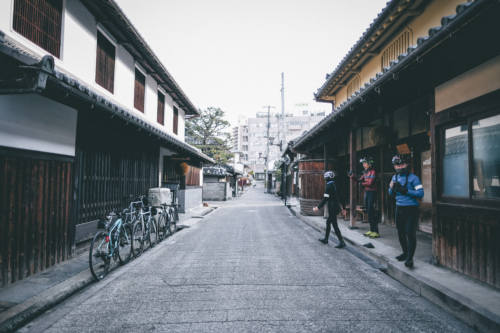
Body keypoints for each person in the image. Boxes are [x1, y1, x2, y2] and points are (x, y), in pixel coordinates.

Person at [389, 154, 424, 268]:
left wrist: (406, 190)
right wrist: (391, 188)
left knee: (410, 233)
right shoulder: (394, 178)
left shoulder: (414, 178)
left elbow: (420, 193)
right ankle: (405, 253)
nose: (400, 167)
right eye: (397, 165)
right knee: (401, 232)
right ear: (394, 166)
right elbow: (390, 193)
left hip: (411, 209)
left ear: (406, 164)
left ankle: (410, 259)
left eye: (402, 164)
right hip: (399, 208)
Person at [313, 171, 347, 248]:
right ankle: (326, 238)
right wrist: (344, 208)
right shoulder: (337, 185)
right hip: (337, 206)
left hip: (332, 207)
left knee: (334, 225)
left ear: (326, 179)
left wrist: (318, 207)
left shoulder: (328, 187)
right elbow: (342, 197)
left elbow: (325, 199)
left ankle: (341, 241)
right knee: (328, 222)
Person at [349, 157, 379, 238]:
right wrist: (352, 177)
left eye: (364, 164)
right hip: (367, 192)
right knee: (368, 211)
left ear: (369, 164)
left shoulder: (373, 172)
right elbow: (359, 181)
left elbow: (370, 183)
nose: (363, 165)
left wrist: (362, 184)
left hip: (373, 192)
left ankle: (376, 231)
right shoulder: (366, 173)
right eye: (363, 164)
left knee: (371, 211)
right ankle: (371, 230)